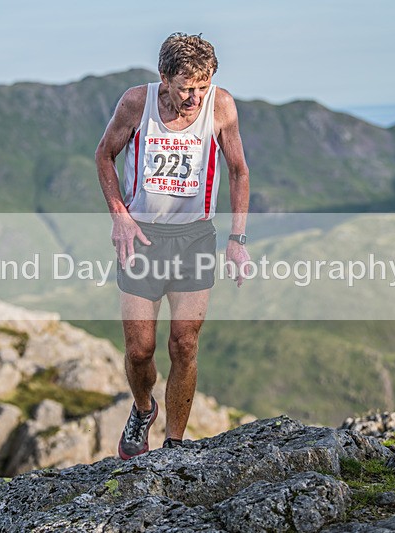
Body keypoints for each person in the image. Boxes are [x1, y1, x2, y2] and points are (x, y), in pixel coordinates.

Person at [95, 32, 251, 459]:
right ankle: (143, 408)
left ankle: (174, 445)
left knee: (184, 342)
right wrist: (119, 215)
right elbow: (104, 155)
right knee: (139, 349)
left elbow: (238, 171)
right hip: (142, 238)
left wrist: (237, 239)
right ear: (164, 78)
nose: (196, 98)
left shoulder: (221, 107)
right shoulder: (135, 104)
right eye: (186, 88)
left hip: (195, 237)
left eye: (203, 86)